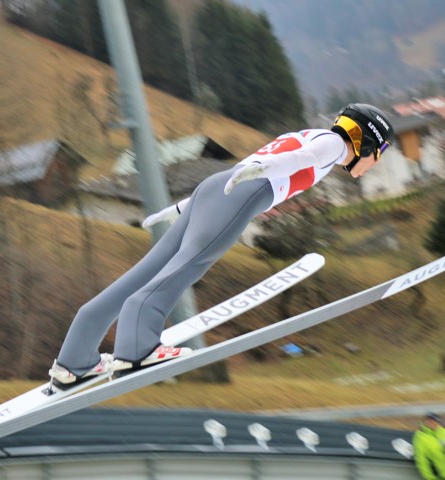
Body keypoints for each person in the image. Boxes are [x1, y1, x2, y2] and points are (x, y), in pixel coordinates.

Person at [48, 103, 395, 386]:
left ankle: (74, 360)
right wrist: (265, 167)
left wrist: (185, 207)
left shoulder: (310, 134)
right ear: (363, 140)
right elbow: (302, 159)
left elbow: (254, 167)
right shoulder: (333, 145)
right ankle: (136, 349)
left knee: (147, 271)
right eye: (377, 154)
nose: (374, 163)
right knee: (190, 264)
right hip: (245, 191)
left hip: (217, 188)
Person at [412, 412, 445, 480]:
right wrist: (429, 477)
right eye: (429, 420)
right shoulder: (420, 436)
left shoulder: (444, 432)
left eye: (435, 421)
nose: (432, 423)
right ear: (425, 421)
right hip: (442, 476)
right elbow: (421, 460)